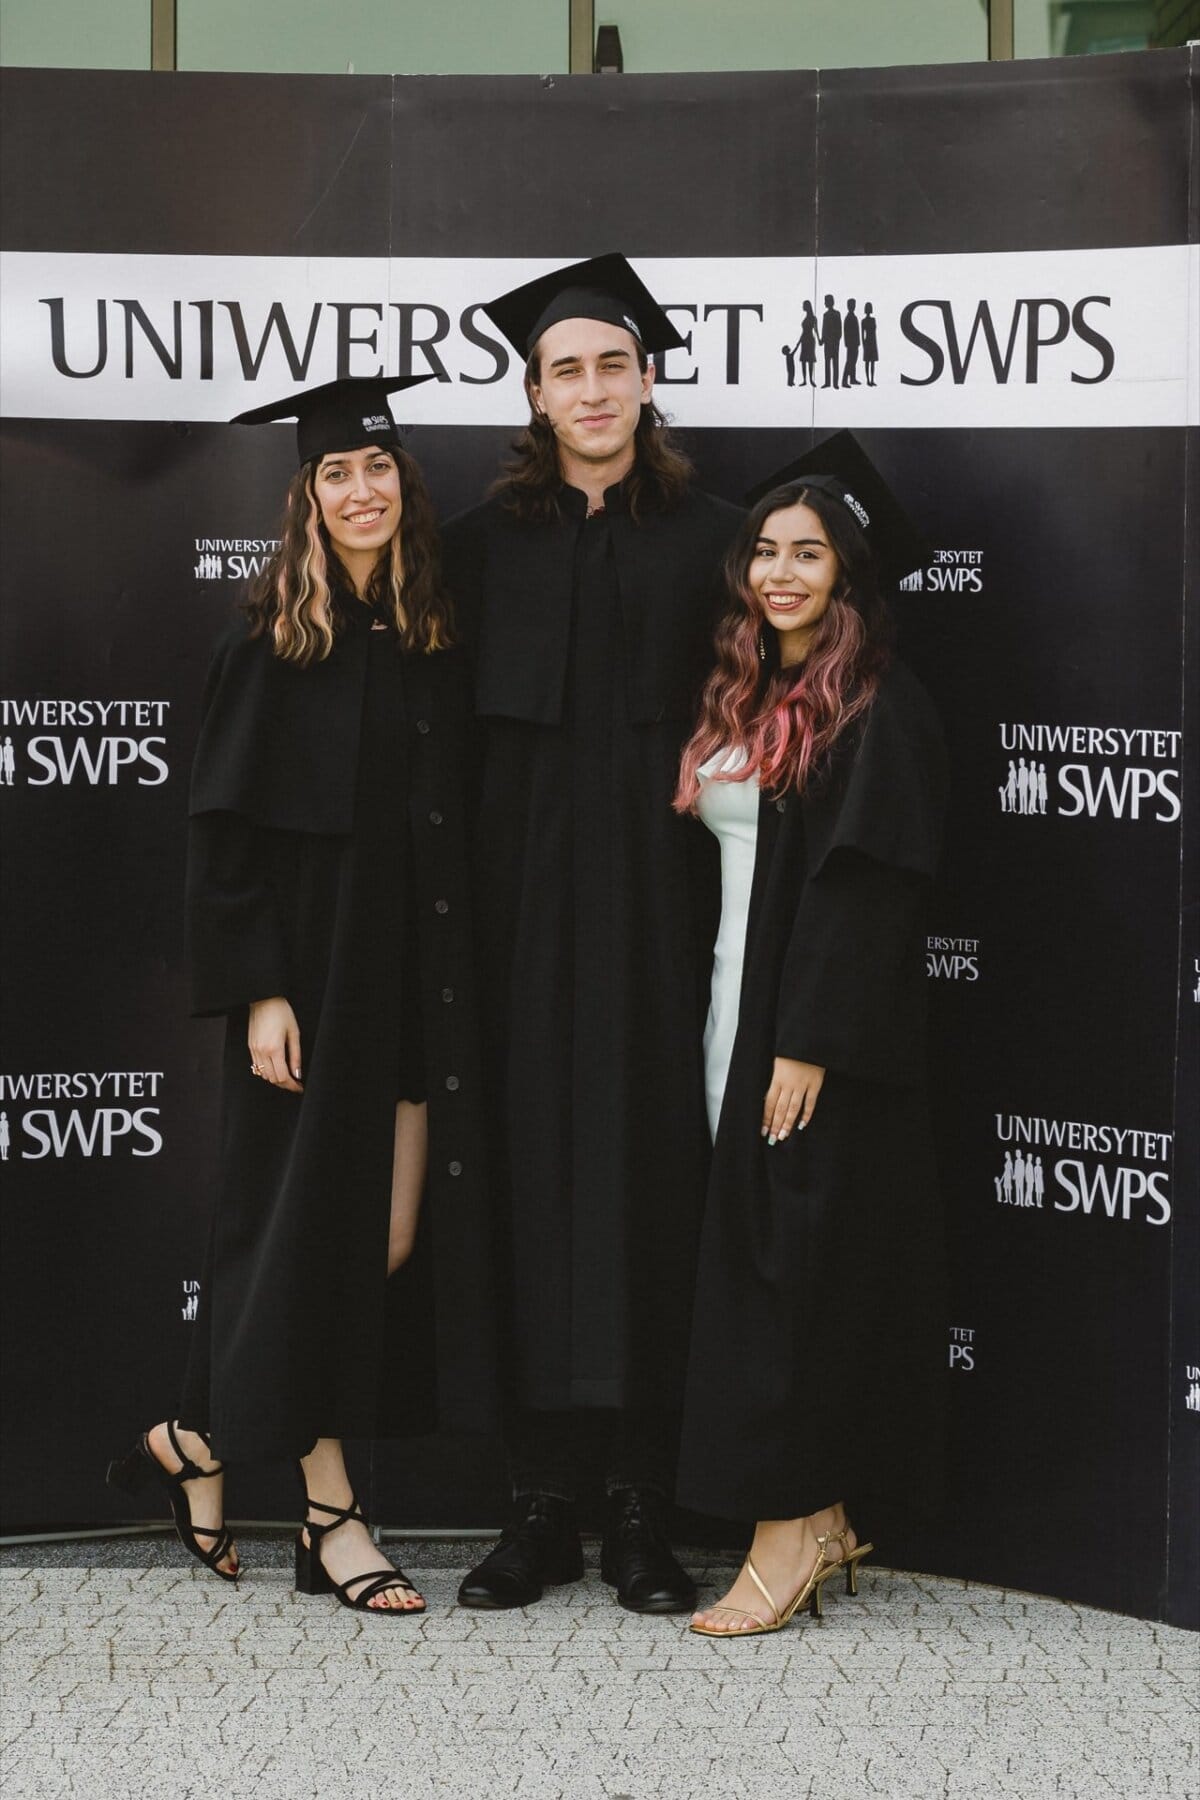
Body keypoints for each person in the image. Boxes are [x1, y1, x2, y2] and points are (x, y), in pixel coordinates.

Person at [108, 376, 491, 1615]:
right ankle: (332, 1513)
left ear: (404, 488)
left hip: (418, 982)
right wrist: (261, 992)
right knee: (306, 1240)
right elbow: (221, 836)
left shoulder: (436, 629)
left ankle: (195, 1440)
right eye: (336, 475)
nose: (361, 491)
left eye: (378, 471)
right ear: (307, 499)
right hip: (313, 986)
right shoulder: (270, 638)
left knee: (381, 1239)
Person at [442, 254, 742, 1614]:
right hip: (514, 923)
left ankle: (640, 1504)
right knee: (524, 1181)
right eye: (567, 369)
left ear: (650, 378)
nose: (593, 389)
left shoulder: (720, 538)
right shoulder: (476, 544)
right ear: (534, 392)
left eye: (612, 364)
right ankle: (539, 1503)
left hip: (668, 921)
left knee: (651, 1185)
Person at [673, 431, 947, 1637]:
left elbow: (864, 889)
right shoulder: (749, 688)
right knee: (763, 1264)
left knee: (794, 1279)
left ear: (849, 575)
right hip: (735, 1005)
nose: (781, 573)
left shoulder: (877, 707)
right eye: (766, 551)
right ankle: (823, 1513)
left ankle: (782, 1539)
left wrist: (805, 1041)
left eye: (810, 554)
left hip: (806, 1037)